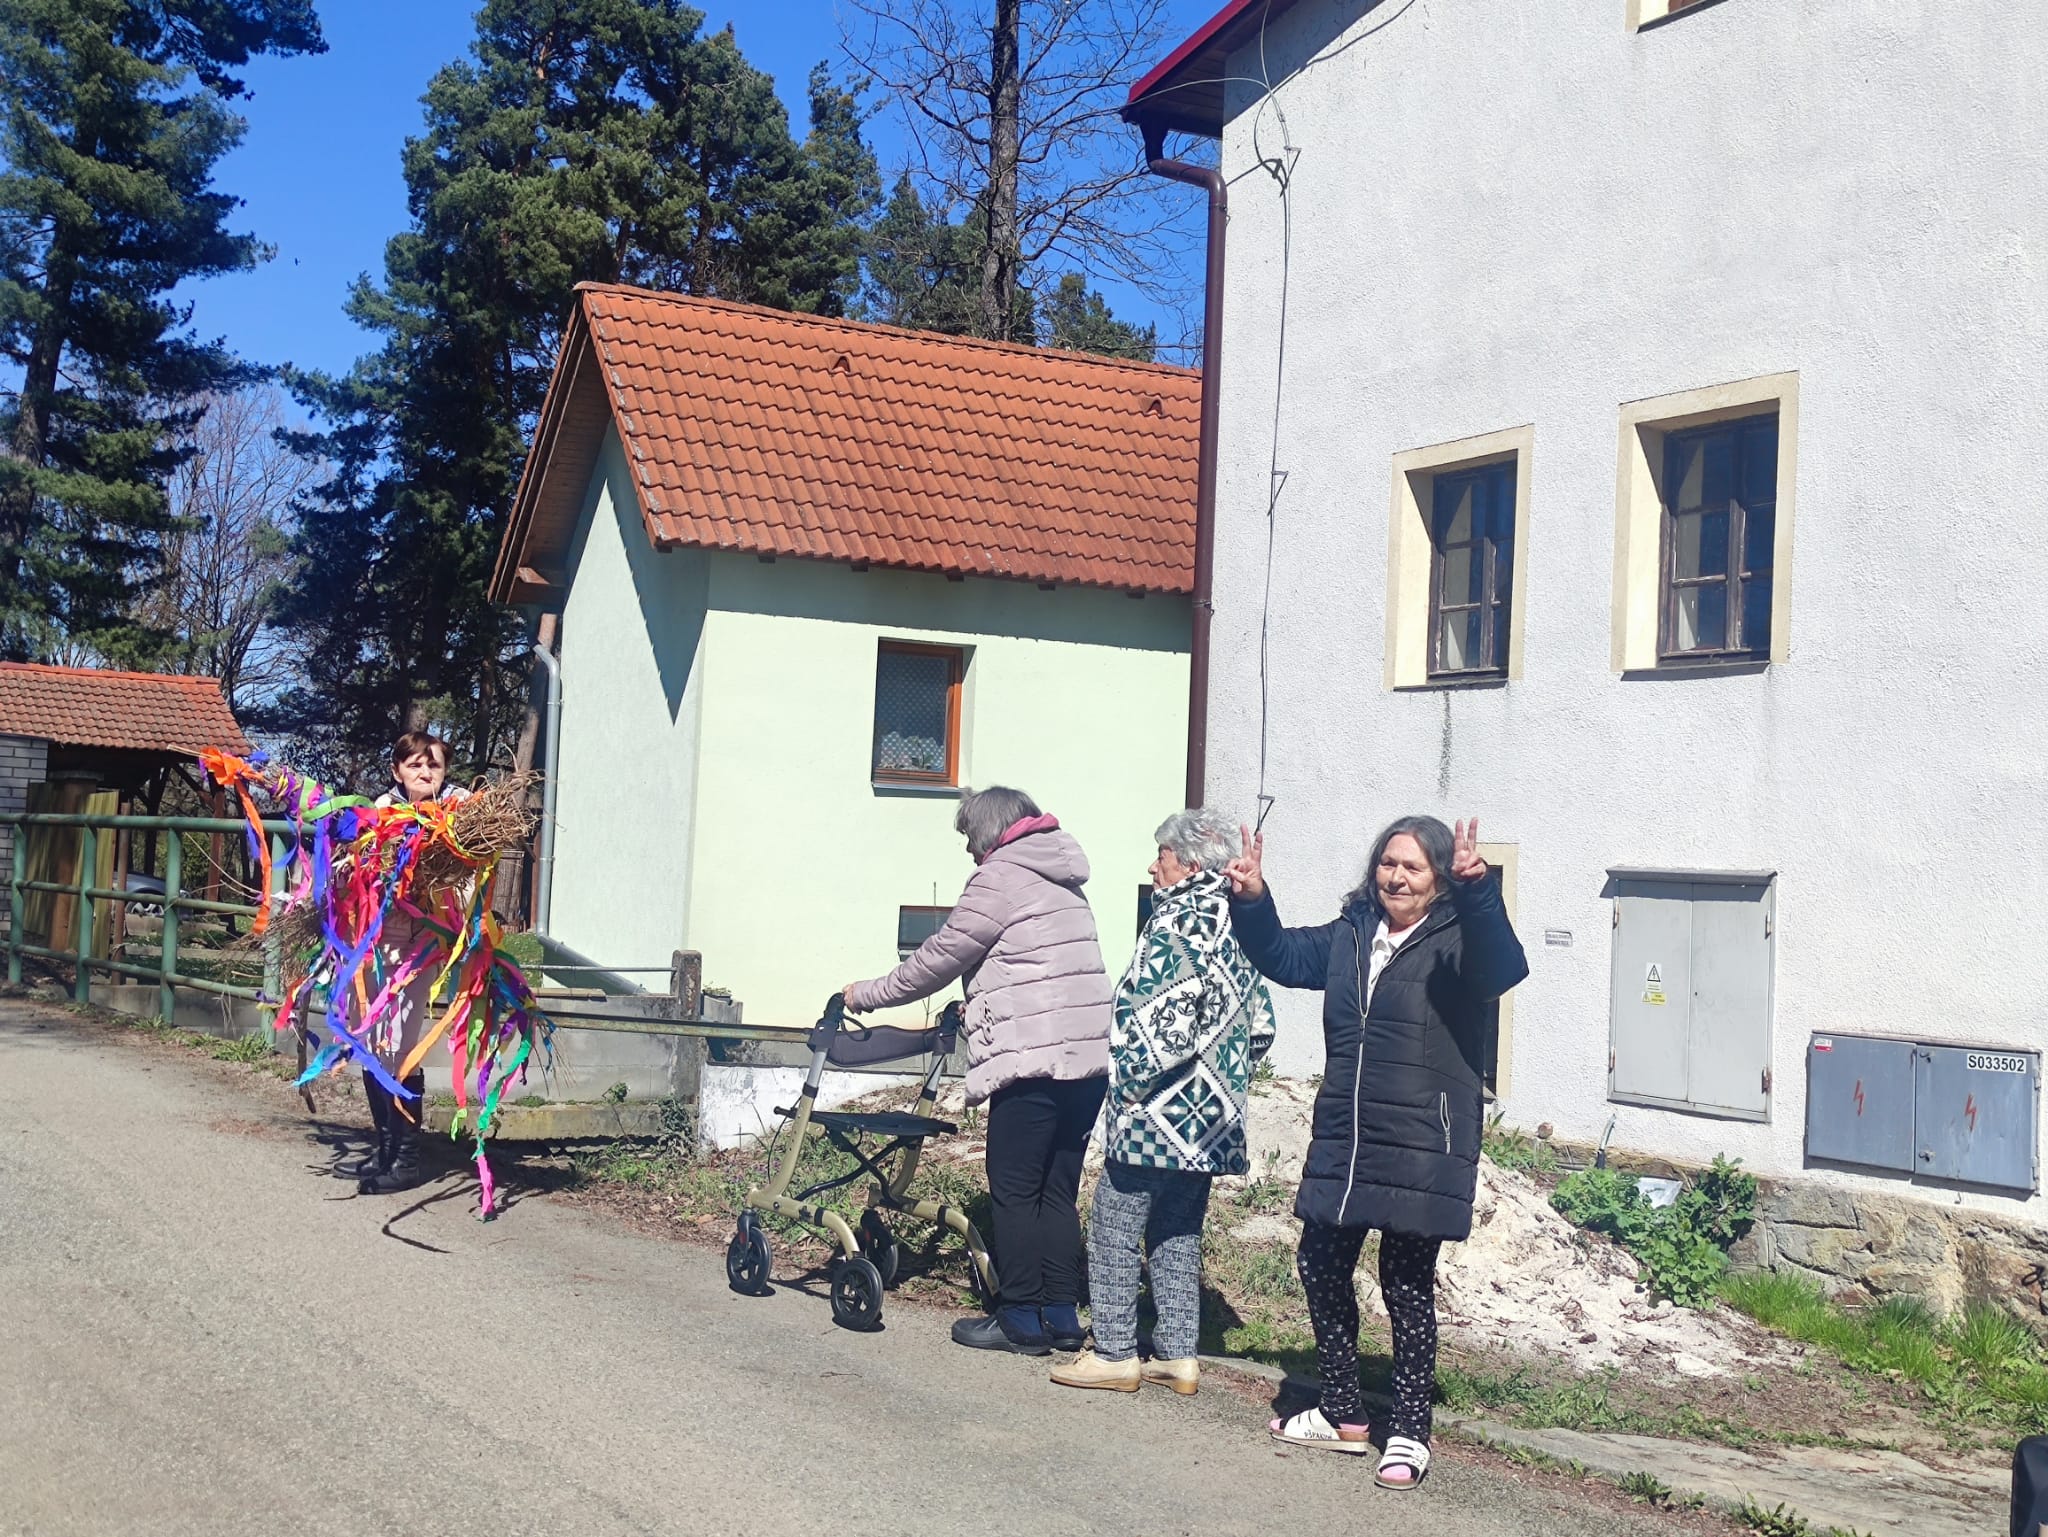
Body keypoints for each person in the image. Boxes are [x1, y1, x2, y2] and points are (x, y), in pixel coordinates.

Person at [1226, 815, 1527, 1490]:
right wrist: (1253, 899)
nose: (1397, 877)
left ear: (1440, 877)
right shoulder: (1352, 933)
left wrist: (1480, 892)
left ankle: (1411, 1430)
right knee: (1320, 1261)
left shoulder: (1458, 939)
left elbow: (1502, 969)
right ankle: (1342, 1409)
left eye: (1414, 867)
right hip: (1348, 1135)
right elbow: (1281, 955)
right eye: (1389, 863)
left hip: (1422, 1141)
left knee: (1405, 1285)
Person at [844, 786, 1111, 1355]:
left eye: (969, 836)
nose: (969, 850)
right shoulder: (1063, 877)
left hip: (1032, 1063)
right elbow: (1035, 969)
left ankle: (1019, 1319)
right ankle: (1062, 1317)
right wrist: (983, 1004)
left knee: (1014, 1189)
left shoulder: (999, 877)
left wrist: (865, 994)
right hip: (1087, 1064)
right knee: (1057, 1191)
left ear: (989, 831)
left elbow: (937, 960)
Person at [1052, 808, 1275, 1398]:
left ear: (1192, 864)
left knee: (1113, 1227)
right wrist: (1224, 1079)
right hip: (1212, 1118)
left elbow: (1160, 1025)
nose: (1154, 867)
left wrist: (1128, 1083)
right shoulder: (1239, 920)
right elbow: (1262, 1027)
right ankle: (1177, 1355)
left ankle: (1114, 1353)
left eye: (1163, 856)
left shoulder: (1178, 919)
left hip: (1156, 1112)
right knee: (1178, 1232)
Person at [352, 729, 469, 1196]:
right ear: (397, 770)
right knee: (369, 1039)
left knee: (400, 1045)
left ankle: (406, 1160)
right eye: (415, 764)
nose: (424, 772)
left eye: (433, 764)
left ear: (445, 770)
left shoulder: (460, 812)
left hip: (421, 942)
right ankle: (385, 1149)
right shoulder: (380, 810)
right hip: (376, 939)